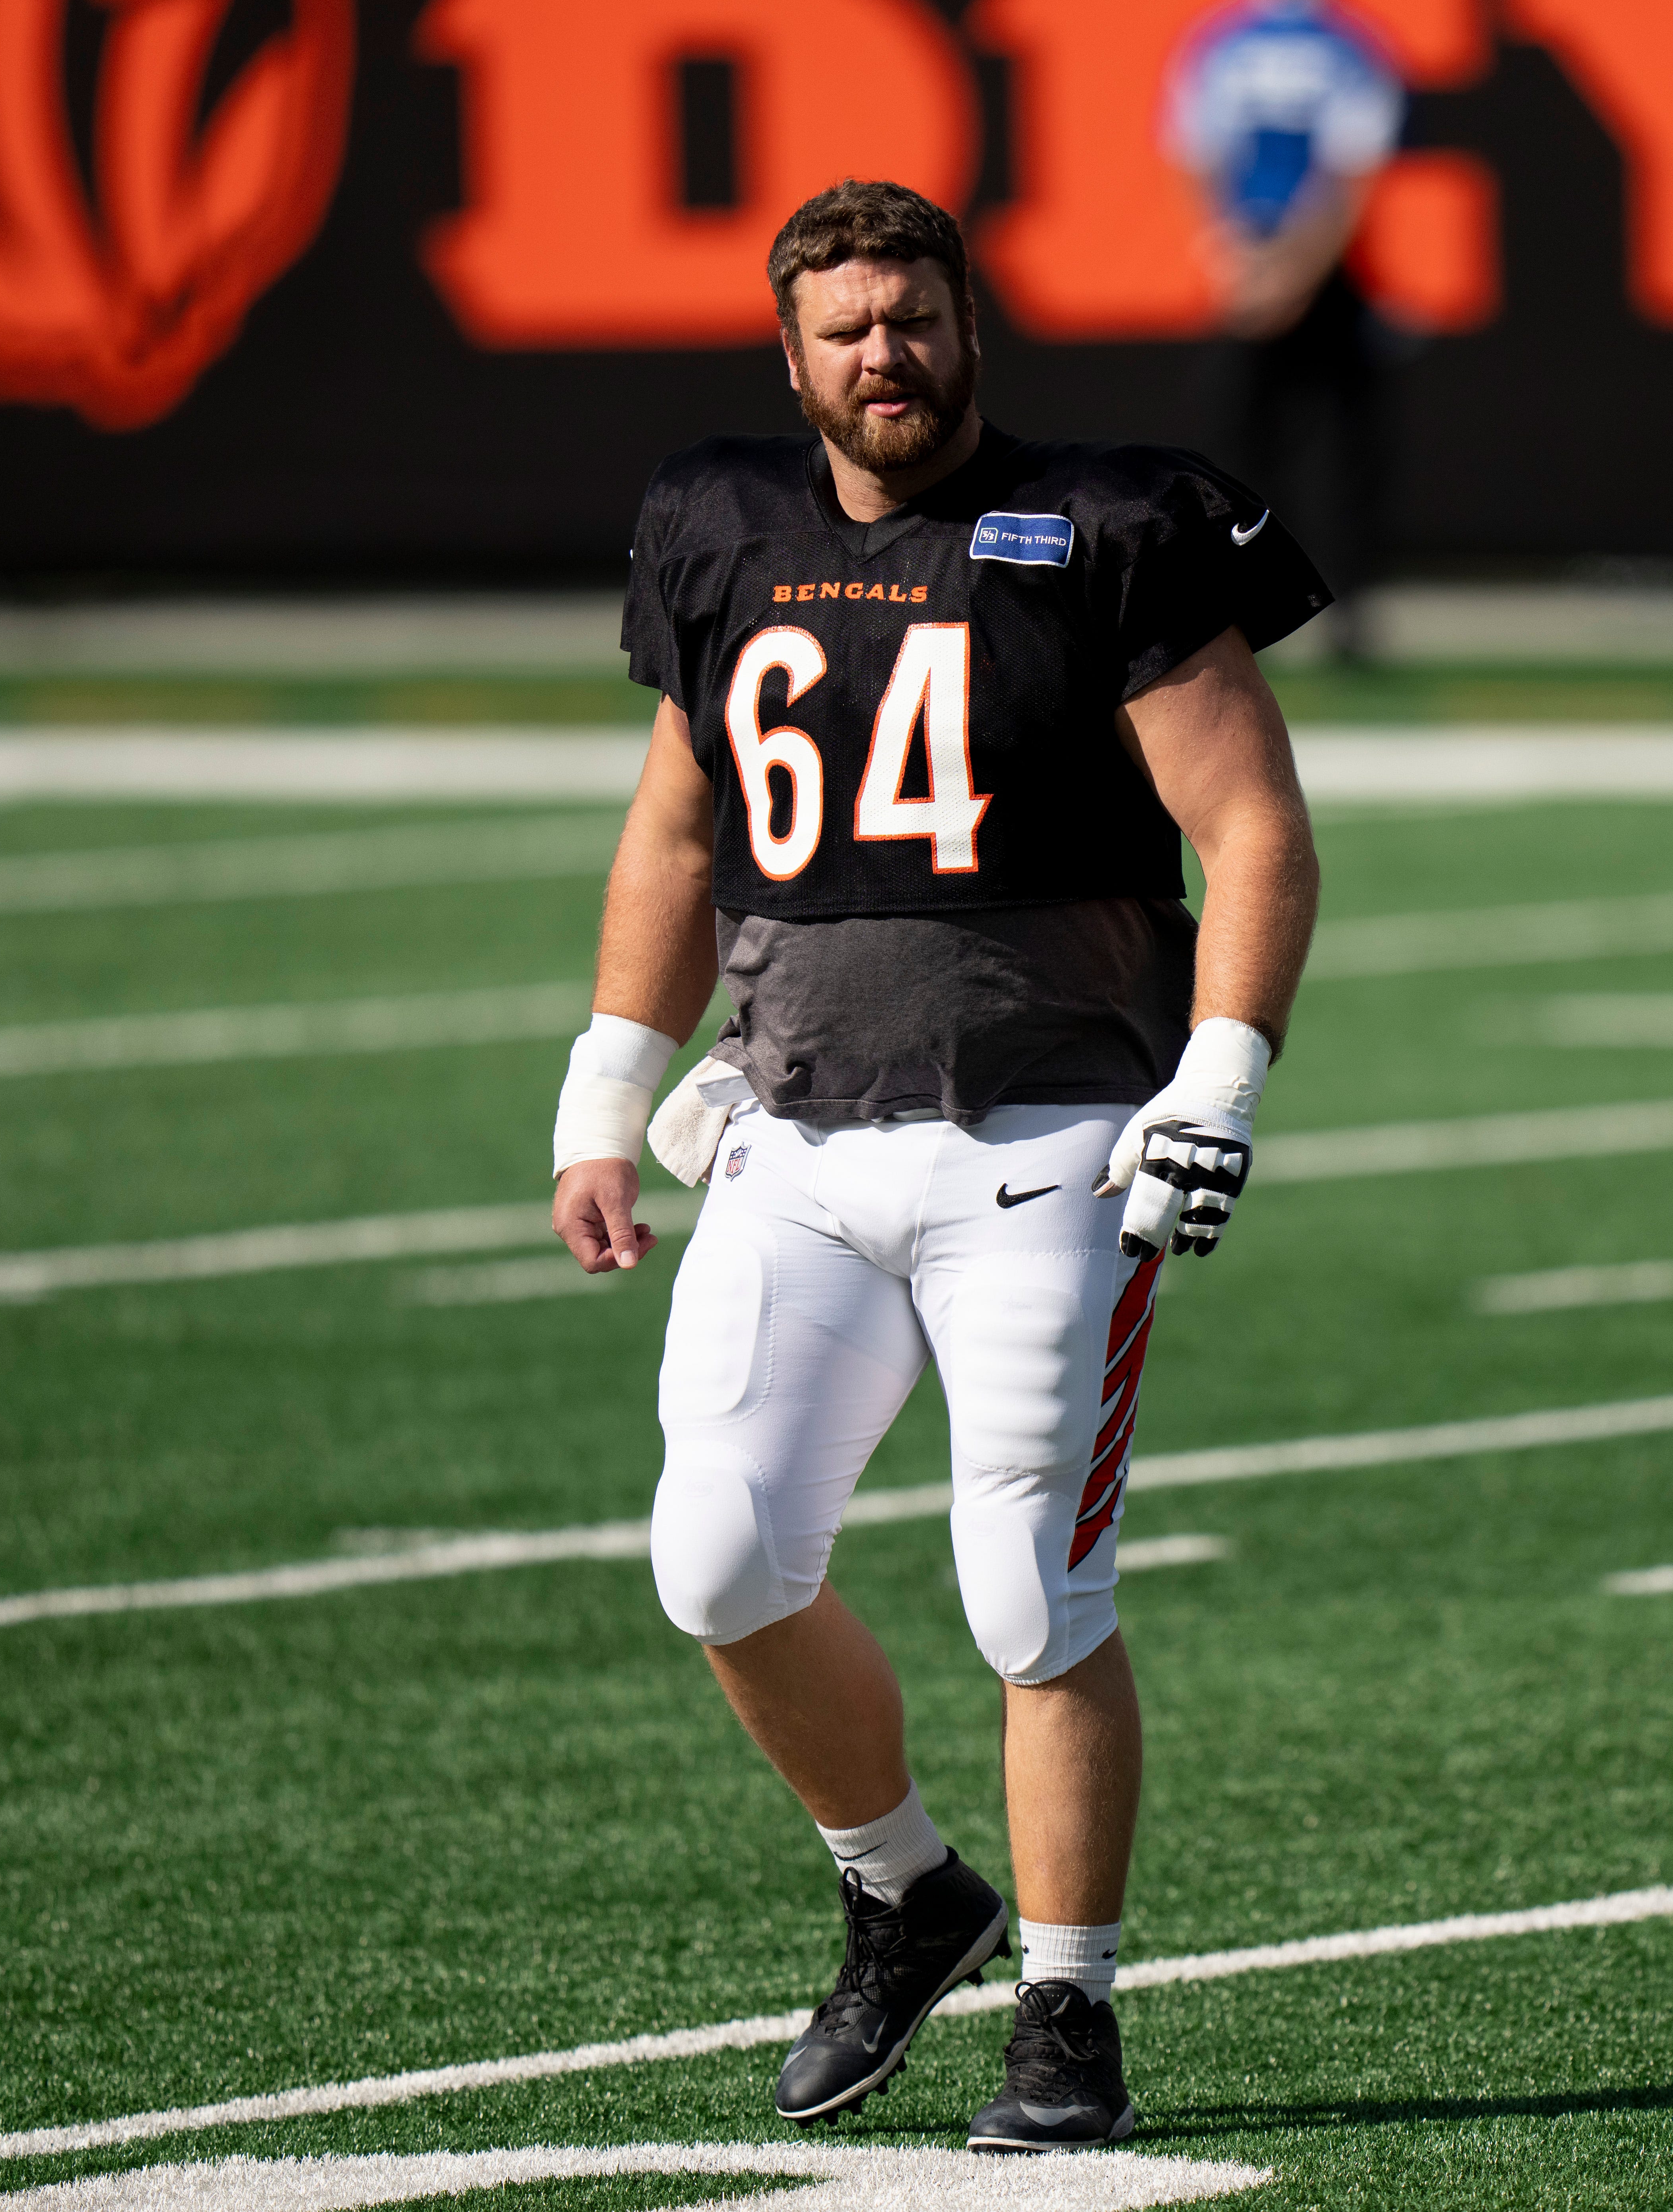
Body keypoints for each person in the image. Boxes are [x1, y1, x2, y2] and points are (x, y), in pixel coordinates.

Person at [546, 179, 1328, 2151]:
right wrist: (598, 1089)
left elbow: (1247, 822)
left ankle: (1068, 2006)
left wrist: (1221, 1071)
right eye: (846, 326)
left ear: (970, 322)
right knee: (713, 1555)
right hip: (792, 1132)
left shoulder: (1106, 523)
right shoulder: (721, 520)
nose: (883, 352)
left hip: (1050, 1134)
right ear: (787, 355)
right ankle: (906, 1890)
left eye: (913, 315)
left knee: (1025, 1586)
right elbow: (672, 825)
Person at [1164, 0, 1405, 663]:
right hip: (1323, 268)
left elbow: (1194, 154)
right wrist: (1298, 271)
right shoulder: (1349, 40)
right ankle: (1343, 613)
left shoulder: (1222, 37)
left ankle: (1242, 603)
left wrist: (1239, 263)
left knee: (1237, 448)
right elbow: (1350, 172)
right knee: (1340, 446)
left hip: (1254, 265)